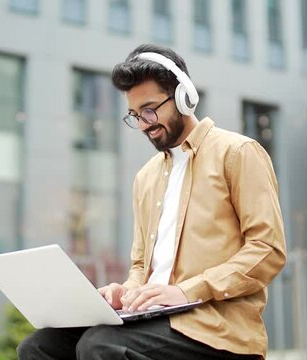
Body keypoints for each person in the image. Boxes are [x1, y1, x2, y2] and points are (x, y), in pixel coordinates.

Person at [17, 44, 287, 360]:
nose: (144, 123)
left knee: (100, 345)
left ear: (184, 97)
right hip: (151, 320)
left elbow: (267, 250)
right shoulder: (146, 178)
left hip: (217, 331)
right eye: (135, 115)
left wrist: (188, 290)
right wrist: (126, 292)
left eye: (150, 109)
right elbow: (140, 265)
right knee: (37, 347)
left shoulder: (238, 153)